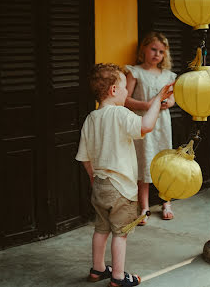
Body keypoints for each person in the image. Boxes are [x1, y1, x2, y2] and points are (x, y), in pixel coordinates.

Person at [76, 63, 173, 287]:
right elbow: (146, 126)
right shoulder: (120, 114)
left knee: (101, 229)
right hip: (122, 188)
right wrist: (157, 99)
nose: (127, 92)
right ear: (113, 90)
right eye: (124, 88)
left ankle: (98, 269)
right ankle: (118, 277)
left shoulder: (91, 118)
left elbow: (84, 157)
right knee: (121, 233)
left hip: (100, 185)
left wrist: (94, 180)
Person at [125, 32, 177, 225]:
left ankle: (167, 202)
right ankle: (144, 207)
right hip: (144, 121)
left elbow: (172, 98)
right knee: (144, 162)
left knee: (164, 163)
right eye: (153, 49)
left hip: (162, 123)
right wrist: (147, 105)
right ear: (144, 50)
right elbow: (125, 99)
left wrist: (167, 103)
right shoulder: (134, 72)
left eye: (161, 52)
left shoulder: (169, 75)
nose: (157, 54)